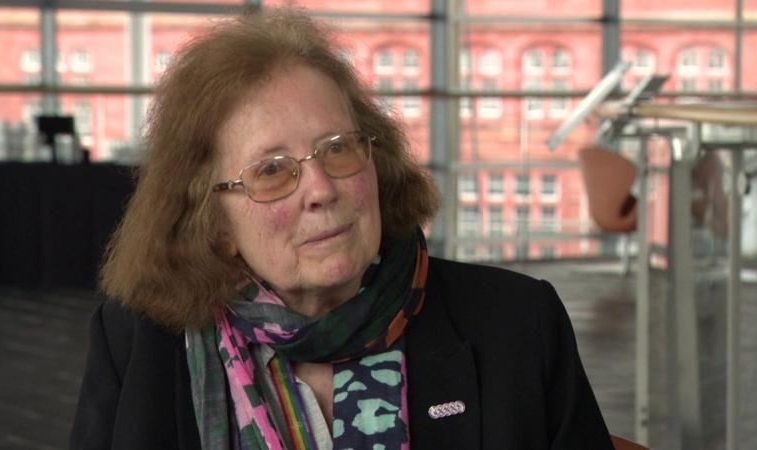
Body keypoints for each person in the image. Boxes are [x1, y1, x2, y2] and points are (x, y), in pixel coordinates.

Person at [70, 8, 612, 450]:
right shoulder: (136, 346)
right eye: (272, 171)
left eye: (338, 149)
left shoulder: (517, 323)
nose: (322, 189)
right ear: (214, 222)